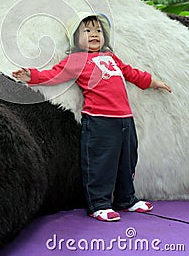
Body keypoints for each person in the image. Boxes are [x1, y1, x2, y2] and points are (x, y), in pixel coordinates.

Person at [12, 12, 172, 222]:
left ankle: (126, 199)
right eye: (87, 31)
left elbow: (132, 73)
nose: (94, 34)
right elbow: (54, 74)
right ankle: (99, 204)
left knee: (128, 161)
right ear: (76, 39)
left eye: (98, 30)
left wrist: (153, 82)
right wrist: (32, 75)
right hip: (99, 121)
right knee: (100, 163)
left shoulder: (111, 58)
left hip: (125, 120)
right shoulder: (76, 60)